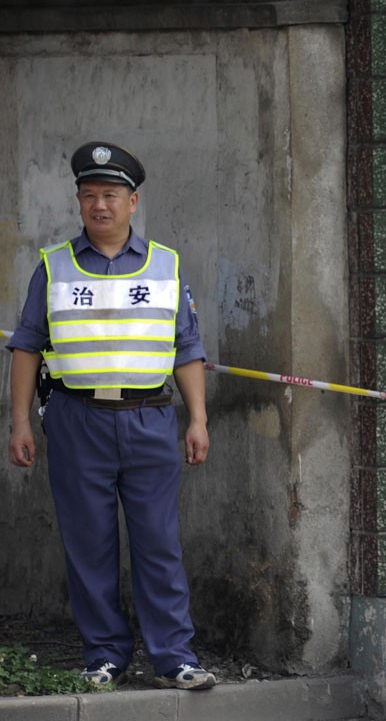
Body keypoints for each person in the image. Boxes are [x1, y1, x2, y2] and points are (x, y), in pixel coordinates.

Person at [6, 142, 217, 690]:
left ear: (133, 202)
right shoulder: (53, 266)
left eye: (111, 195)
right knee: (88, 545)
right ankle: (103, 656)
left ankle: (175, 657)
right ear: (78, 202)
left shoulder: (165, 264)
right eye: (89, 195)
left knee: (159, 543)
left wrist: (197, 419)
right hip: (78, 421)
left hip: (149, 419)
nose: (100, 205)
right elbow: (27, 346)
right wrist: (21, 421)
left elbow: (186, 348)